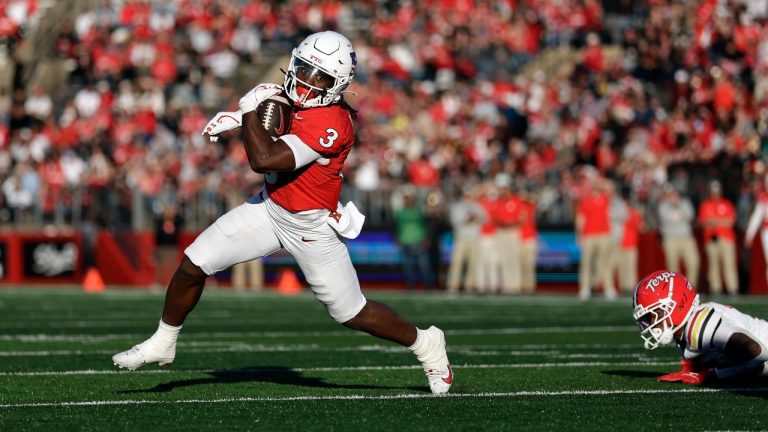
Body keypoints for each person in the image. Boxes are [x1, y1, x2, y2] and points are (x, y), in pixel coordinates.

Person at [112, 31, 453, 394]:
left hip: (311, 226)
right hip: (269, 208)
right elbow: (275, 121)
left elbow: (263, 159)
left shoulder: (333, 122)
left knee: (351, 313)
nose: (307, 81)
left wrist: (246, 112)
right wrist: (244, 115)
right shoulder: (292, 98)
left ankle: (425, 343)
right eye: (304, 69)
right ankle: (164, 339)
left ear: (337, 84)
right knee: (193, 264)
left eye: (319, 76)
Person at [632, 270, 768, 384]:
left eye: (654, 315)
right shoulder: (686, 333)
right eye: (646, 319)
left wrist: (710, 376)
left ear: (679, 304)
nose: (651, 324)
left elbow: (758, 353)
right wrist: (692, 369)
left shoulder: (699, 326)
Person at [575, 176, 615, 300]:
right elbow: (580, 219)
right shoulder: (585, 200)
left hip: (603, 234)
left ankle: (608, 287)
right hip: (589, 235)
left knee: (605, 262)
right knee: (586, 262)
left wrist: (600, 182)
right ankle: (585, 287)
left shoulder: (605, 197)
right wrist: (579, 235)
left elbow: (611, 187)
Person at [698, 180, 738, 295]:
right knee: (713, 265)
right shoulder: (705, 205)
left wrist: (714, 221)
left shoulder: (727, 204)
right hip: (711, 239)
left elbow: (730, 222)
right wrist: (721, 221)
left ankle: (732, 288)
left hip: (726, 238)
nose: (715, 193)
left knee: (729, 264)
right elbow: (703, 222)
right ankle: (716, 289)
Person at [657, 184, 700, 287]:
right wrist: (680, 216)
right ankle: (675, 288)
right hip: (670, 238)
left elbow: (690, 216)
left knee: (693, 262)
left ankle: (691, 287)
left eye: (673, 193)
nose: (671, 196)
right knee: (673, 266)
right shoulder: (663, 206)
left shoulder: (684, 203)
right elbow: (667, 220)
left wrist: (678, 207)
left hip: (686, 237)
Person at [393, 186, 435, 290]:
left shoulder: (419, 211)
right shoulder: (399, 212)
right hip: (406, 241)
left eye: (409, 197)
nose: (407, 200)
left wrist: (426, 238)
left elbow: (426, 225)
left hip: (419, 241)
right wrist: (397, 237)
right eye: (405, 198)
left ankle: (428, 285)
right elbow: (396, 226)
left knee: (424, 266)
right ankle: (410, 285)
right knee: (408, 267)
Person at [446, 185, 485, 293]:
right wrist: (469, 219)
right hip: (461, 238)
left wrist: (474, 218)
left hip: (474, 238)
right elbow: (455, 222)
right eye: (466, 195)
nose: (468, 197)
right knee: (457, 263)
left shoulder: (477, 206)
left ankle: (470, 285)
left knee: (473, 263)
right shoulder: (457, 207)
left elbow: (484, 218)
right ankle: (453, 285)